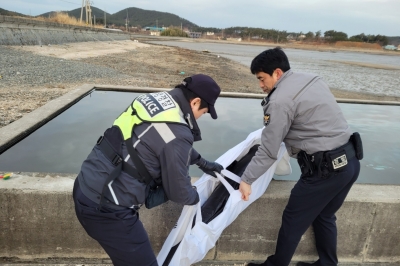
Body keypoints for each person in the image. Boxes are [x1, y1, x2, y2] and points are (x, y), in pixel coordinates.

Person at [72, 74, 224, 266]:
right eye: (204, 112)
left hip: (86, 185)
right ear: (195, 102)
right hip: (108, 209)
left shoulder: (155, 100)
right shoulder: (178, 131)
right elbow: (180, 192)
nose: (201, 117)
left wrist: (201, 162)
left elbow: (163, 140)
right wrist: (198, 197)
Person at [239, 47, 363, 266]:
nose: (260, 86)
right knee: (325, 216)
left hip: (324, 171)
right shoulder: (312, 79)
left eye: (261, 79)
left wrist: (247, 179)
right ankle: (327, 264)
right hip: (350, 163)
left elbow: (268, 151)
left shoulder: (278, 101)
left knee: (292, 220)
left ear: (277, 73)